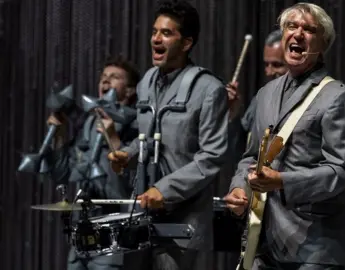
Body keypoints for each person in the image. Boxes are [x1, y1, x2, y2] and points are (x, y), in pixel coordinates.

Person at [224, 3, 345, 269]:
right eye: (291, 26)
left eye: (309, 30)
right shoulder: (266, 93)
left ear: (323, 44)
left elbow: (341, 172)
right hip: (263, 239)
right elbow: (251, 157)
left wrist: (282, 181)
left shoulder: (338, 97)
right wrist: (239, 188)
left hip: (316, 247)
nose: (298, 33)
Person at [107, 1, 229, 269]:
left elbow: (211, 157)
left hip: (182, 220)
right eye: (154, 32)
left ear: (186, 43)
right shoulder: (146, 82)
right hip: (140, 214)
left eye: (166, 33)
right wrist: (126, 154)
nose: (156, 39)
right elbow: (149, 139)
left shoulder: (209, 90)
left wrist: (164, 190)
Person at [47, 55, 141, 270]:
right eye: (103, 77)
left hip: (114, 235)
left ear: (129, 91)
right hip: (82, 231)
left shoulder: (137, 124)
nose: (106, 81)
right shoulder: (90, 123)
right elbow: (64, 173)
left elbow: (135, 180)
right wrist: (59, 135)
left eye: (114, 77)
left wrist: (113, 139)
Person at [227, 29, 288, 133]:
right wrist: (233, 114)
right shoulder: (260, 99)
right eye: (266, 65)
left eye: (277, 65)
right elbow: (242, 145)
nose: (269, 72)